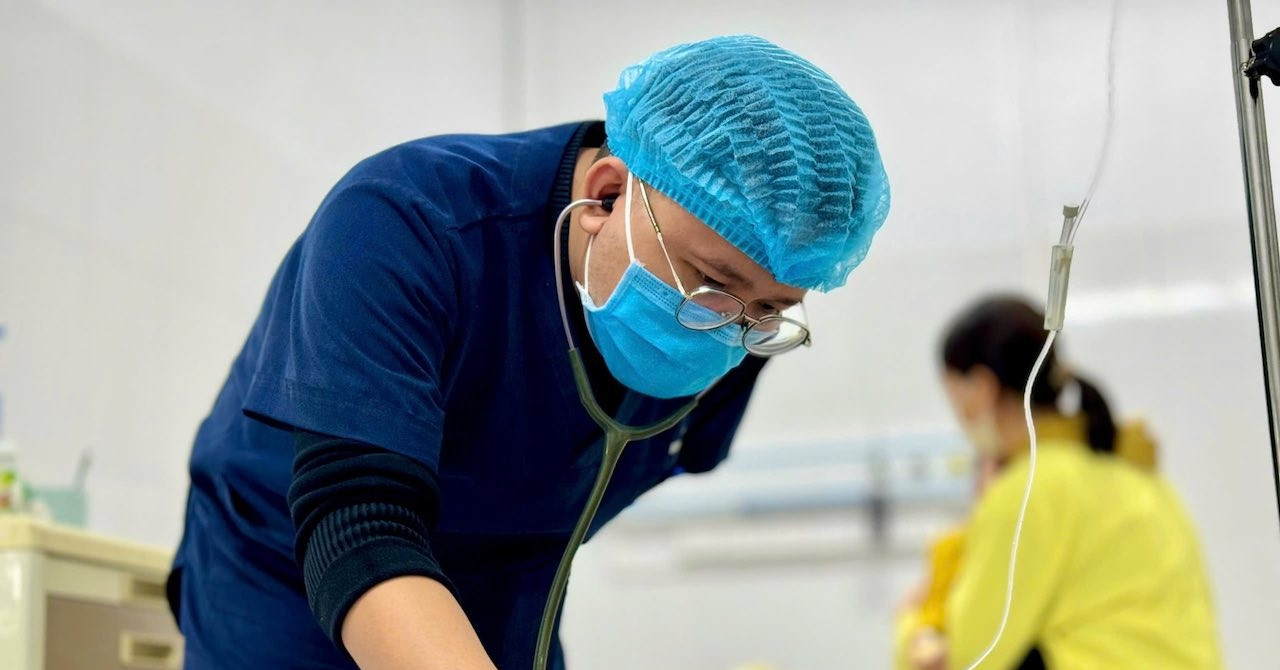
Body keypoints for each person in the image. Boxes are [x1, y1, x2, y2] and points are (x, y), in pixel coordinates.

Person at [166, 35, 891, 670]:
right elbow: (358, 524)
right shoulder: (406, 222)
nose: (730, 328)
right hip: (287, 578)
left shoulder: (742, 320)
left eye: (770, 309)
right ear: (606, 194)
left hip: (506, 591)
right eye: (712, 283)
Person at [895, 296, 1221, 670]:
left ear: (982, 388)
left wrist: (913, 623)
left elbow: (966, 659)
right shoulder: (1136, 475)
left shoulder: (1029, 490)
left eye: (956, 399)